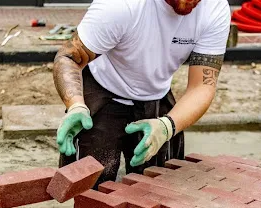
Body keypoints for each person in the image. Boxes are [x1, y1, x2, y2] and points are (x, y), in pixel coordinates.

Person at [53, 0, 231, 184]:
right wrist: (75, 105)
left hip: (156, 93)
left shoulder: (214, 7)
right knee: (90, 185)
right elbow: (68, 57)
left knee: (158, 187)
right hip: (105, 85)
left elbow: (202, 85)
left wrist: (167, 126)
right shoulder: (121, 5)